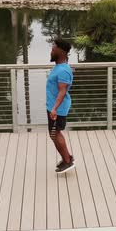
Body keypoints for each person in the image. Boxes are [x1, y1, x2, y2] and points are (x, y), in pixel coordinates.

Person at [47, 39, 75, 174]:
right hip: (54, 108)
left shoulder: (63, 70)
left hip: (57, 110)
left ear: (61, 52)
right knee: (53, 134)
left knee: (55, 133)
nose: (51, 51)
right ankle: (66, 158)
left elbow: (63, 91)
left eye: (53, 49)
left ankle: (68, 161)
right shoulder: (60, 66)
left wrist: (54, 108)